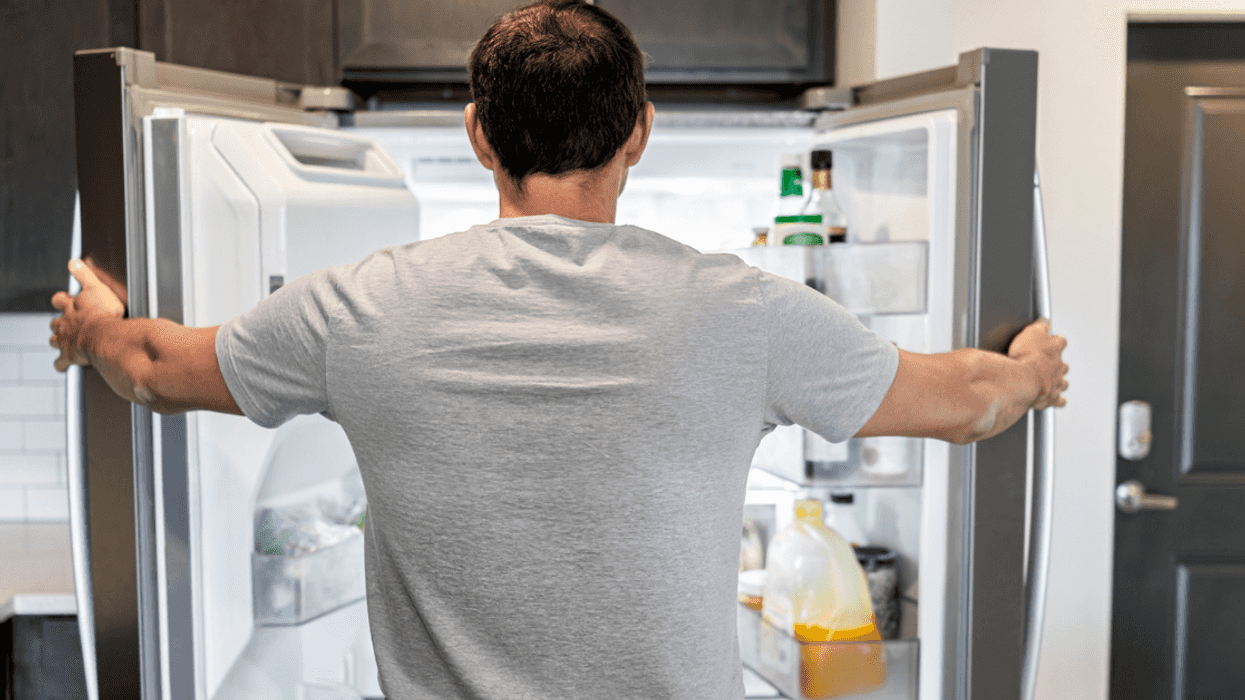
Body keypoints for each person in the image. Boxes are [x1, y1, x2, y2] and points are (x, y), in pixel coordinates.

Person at [49, 1, 1068, 698]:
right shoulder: (742, 311)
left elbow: (149, 367)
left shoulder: (363, 307)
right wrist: (1031, 369)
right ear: (640, 132)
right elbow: (965, 398)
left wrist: (89, 323)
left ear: (479, 136)